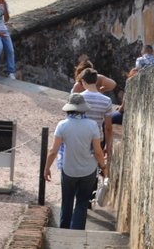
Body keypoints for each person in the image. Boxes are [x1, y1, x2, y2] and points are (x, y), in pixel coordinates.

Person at [43, 93, 106, 230]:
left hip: (69, 170)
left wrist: (46, 168)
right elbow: (98, 151)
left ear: (69, 108)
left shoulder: (62, 125)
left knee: (67, 202)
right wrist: (104, 167)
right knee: (82, 203)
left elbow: (53, 151)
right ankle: (76, 234)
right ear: (84, 109)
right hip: (88, 170)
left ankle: (64, 231)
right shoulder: (92, 125)